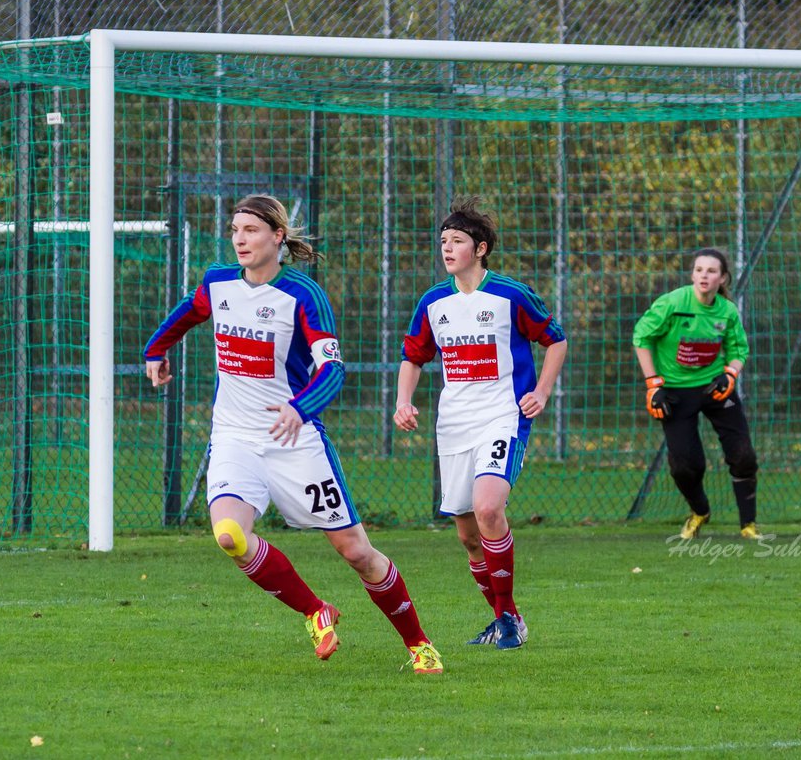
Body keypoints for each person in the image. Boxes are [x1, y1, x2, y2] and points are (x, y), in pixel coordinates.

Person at [144, 194, 443, 675]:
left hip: (295, 441)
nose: (240, 238)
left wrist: (300, 409)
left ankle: (419, 644)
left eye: (251, 230)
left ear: (277, 237)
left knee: (357, 553)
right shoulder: (218, 283)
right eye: (235, 229)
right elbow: (187, 312)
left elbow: (333, 369)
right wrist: (155, 350)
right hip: (235, 438)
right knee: (229, 536)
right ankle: (315, 611)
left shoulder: (302, 295)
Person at [393, 198, 568, 651]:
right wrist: (404, 401)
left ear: (481, 248)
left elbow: (556, 340)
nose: (447, 249)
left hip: (502, 417)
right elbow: (413, 357)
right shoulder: (433, 301)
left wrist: (542, 392)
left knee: (490, 508)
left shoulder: (510, 295)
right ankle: (503, 617)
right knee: (470, 536)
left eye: (457, 241)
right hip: (453, 425)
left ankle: (508, 619)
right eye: (443, 241)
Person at [633, 248, 763, 541]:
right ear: (693, 275)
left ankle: (748, 525)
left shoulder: (727, 311)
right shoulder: (673, 303)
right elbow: (641, 336)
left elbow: (739, 350)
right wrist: (653, 383)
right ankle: (700, 511)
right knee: (684, 467)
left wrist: (730, 373)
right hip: (676, 392)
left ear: (723, 278)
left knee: (743, 455)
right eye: (699, 270)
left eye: (712, 271)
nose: (704, 275)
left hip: (714, 388)